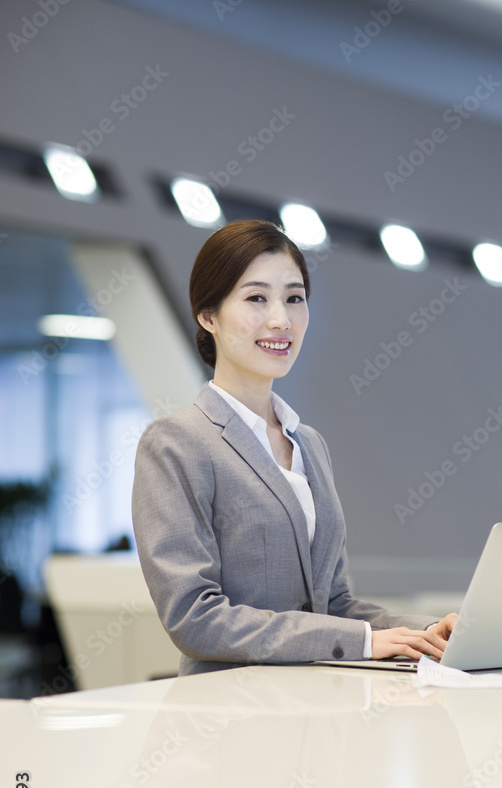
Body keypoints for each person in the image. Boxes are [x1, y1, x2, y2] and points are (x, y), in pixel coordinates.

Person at [132, 219, 456, 675]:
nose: (281, 319)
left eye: (295, 298)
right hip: (230, 715)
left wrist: (431, 631)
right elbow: (194, 618)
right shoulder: (177, 442)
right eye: (256, 298)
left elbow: (334, 606)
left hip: (318, 711)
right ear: (209, 316)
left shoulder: (310, 445)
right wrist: (362, 641)